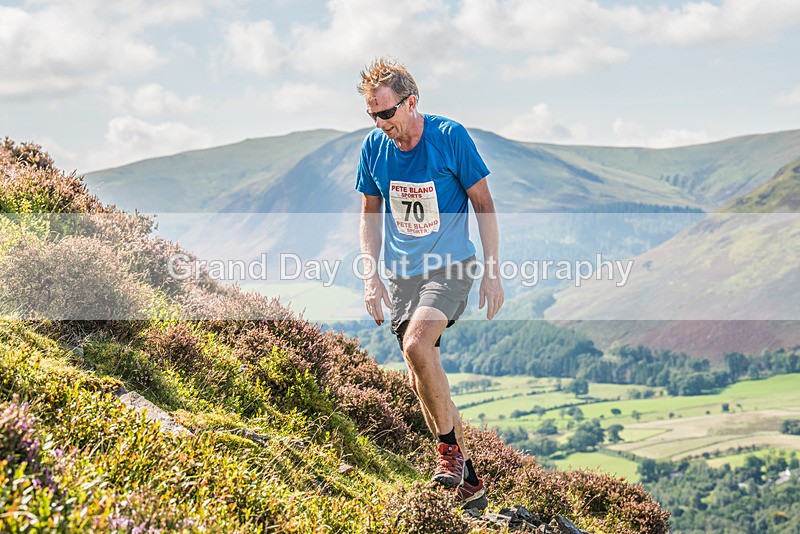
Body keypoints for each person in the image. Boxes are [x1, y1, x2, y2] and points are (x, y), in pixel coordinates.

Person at [355, 57, 504, 510]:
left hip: (451, 266)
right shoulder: (374, 148)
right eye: (372, 114)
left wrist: (493, 271)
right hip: (402, 275)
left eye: (386, 112)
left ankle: (447, 452)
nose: (380, 123)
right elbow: (370, 212)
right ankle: (469, 480)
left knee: (417, 346)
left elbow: (483, 204)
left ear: (411, 102)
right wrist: (371, 275)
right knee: (422, 373)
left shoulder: (449, 137)